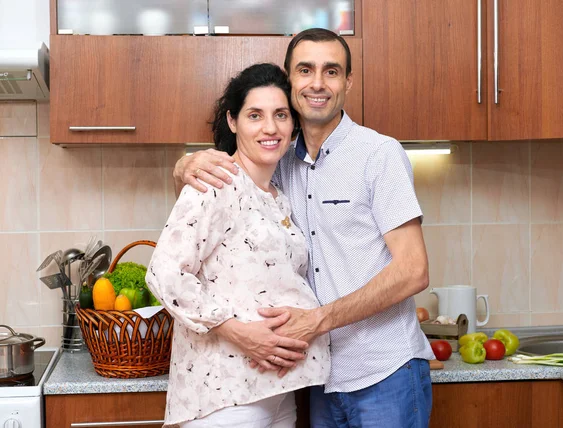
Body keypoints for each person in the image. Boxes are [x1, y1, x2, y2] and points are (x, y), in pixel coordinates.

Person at [173, 28, 435, 428]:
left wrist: (318, 321)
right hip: (318, 379)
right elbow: (219, 196)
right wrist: (182, 168)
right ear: (289, 78)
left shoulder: (378, 155)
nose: (317, 83)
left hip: (385, 371)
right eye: (305, 70)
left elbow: (414, 270)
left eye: (331, 72)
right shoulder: (279, 161)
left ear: (348, 81)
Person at [146, 63, 330, 428]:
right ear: (233, 121)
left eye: (280, 115)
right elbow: (164, 274)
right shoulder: (216, 181)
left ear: (292, 124)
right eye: (255, 115)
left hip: (277, 393)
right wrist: (239, 332)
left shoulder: (278, 196)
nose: (270, 128)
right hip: (225, 398)